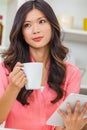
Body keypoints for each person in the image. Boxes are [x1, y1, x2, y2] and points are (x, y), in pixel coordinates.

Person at [0, 0, 87, 130]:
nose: (35, 30)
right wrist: (13, 87)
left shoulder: (71, 73)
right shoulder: (6, 69)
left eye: (41, 21)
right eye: (27, 25)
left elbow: (63, 125)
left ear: (52, 26)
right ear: (21, 32)